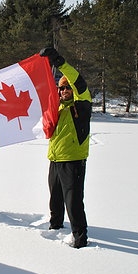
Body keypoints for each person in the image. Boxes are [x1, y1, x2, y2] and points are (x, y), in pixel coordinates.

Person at [40, 46, 92, 248]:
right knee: (55, 197)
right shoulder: (57, 107)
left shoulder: (82, 105)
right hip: (55, 159)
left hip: (73, 160)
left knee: (73, 201)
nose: (63, 91)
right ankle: (55, 226)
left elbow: (78, 81)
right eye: (60, 88)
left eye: (66, 87)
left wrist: (58, 61)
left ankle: (80, 237)